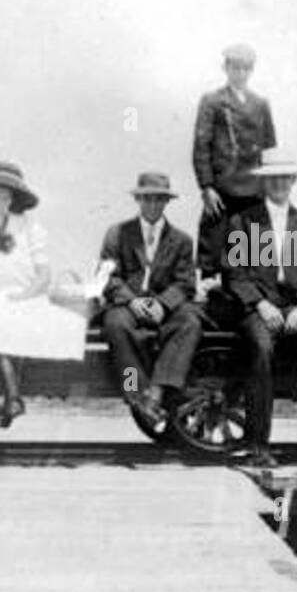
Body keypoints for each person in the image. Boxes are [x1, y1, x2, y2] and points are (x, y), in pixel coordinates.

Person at [0, 161, 87, 428]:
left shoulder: (30, 227)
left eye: (6, 196)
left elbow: (44, 275)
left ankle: (13, 398)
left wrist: (25, 296)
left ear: (13, 199)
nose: (0, 202)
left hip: (25, 297)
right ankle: (13, 397)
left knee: (24, 318)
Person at [222, 149, 297, 467]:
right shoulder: (244, 222)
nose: (279, 183)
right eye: (273, 178)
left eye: (285, 177)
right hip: (259, 308)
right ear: (263, 182)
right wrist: (259, 303)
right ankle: (257, 444)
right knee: (260, 345)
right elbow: (235, 273)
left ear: (294, 180)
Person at [99, 172, 203, 430]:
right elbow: (107, 277)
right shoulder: (118, 234)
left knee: (189, 322)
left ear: (167, 202)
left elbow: (186, 282)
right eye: (147, 199)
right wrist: (132, 301)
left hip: (164, 309)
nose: (153, 205)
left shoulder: (181, 240)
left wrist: (163, 304)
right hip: (128, 306)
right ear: (138, 200)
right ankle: (136, 394)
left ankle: (155, 393)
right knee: (115, 324)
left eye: (159, 199)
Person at [192, 43, 278, 281]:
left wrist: (270, 188)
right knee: (216, 254)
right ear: (225, 68)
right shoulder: (212, 101)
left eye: (246, 69)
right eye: (235, 68)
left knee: (254, 256)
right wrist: (207, 186)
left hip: (254, 190)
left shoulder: (261, 104)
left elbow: (270, 147)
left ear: (252, 71)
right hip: (222, 190)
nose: (240, 74)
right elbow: (202, 145)